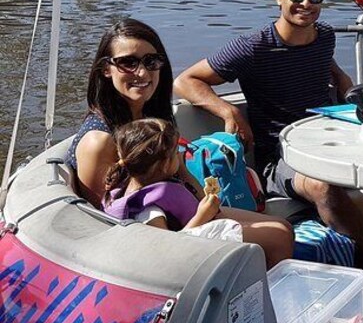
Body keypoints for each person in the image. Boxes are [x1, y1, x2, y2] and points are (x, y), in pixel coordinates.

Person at [173, 0, 363, 273]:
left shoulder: (324, 36)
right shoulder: (253, 47)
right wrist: (228, 110)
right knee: (322, 187)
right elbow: (185, 81)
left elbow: (327, 66)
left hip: (328, 142)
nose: (306, 4)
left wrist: (343, 83)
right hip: (282, 159)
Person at [65, 18, 293, 268]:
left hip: (180, 215)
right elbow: (105, 221)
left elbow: (182, 173)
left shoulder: (153, 118)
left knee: (281, 226)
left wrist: (206, 206)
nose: (142, 73)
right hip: (151, 238)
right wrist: (199, 219)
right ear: (106, 69)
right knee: (276, 236)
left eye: (151, 61)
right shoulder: (99, 141)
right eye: (128, 63)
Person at [103, 118, 223, 233]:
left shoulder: (124, 185)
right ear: (165, 165)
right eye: (176, 153)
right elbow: (168, 246)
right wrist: (202, 217)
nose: (180, 155)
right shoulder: (147, 210)